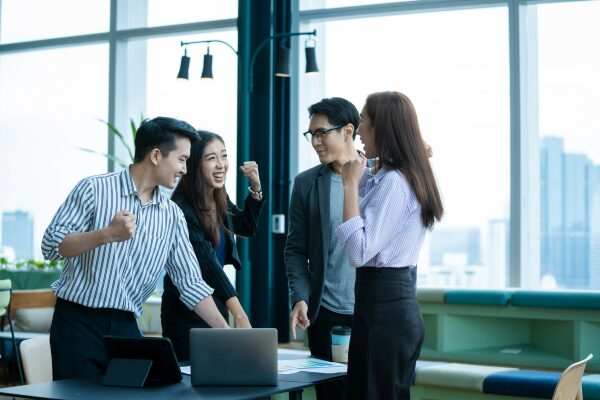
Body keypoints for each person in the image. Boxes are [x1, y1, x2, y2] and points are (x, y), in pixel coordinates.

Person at [41, 117, 229, 380]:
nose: (185, 169)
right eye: (182, 159)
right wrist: (106, 234)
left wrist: (228, 334)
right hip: (77, 323)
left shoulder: (171, 215)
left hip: (126, 326)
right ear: (155, 156)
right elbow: (51, 245)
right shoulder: (94, 189)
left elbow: (190, 283)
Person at [337, 91, 444, 399]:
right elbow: (372, 185)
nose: (358, 133)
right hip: (384, 305)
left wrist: (348, 185)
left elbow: (358, 252)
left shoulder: (396, 182)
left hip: (384, 308)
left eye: (363, 124)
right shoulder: (392, 177)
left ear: (381, 128)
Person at [161, 130, 265, 361]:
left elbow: (246, 226)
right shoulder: (182, 209)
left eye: (224, 156)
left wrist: (256, 188)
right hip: (186, 310)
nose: (221, 165)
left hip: (216, 302)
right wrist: (238, 314)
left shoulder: (218, 197)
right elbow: (208, 265)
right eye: (211, 158)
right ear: (194, 164)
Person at [285, 97, 361, 400]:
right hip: (324, 313)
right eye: (311, 135)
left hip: (369, 311)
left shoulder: (380, 175)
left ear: (347, 131)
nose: (315, 142)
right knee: (331, 396)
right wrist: (299, 298)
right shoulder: (306, 183)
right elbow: (295, 249)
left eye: (321, 133)